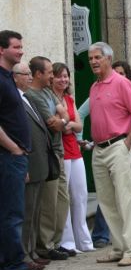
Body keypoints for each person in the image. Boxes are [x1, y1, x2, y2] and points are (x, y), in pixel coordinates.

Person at [87, 42, 131, 266]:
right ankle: (118, 246)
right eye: (91, 58)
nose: (93, 61)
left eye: (97, 57)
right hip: (99, 148)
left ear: (109, 59)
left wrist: (127, 143)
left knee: (125, 198)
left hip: (118, 146)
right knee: (106, 200)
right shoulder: (94, 87)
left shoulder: (122, 83)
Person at [1, 30, 38, 270]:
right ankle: (14, 265)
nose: (21, 50)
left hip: (15, 158)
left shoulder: (6, 79)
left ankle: (8, 262)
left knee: (10, 212)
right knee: (12, 213)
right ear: (1, 50)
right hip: (8, 156)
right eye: (16, 47)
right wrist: (13, 148)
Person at [25, 56, 70, 260]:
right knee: (48, 203)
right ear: (38, 74)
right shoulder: (32, 96)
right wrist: (62, 121)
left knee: (62, 200)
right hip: (48, 152)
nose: (52, 76)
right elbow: (53, 122)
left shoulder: (48, 92)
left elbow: (65, 116)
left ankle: (55, 242)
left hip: (58, 152)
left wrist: (62, 121)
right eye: (50, 72)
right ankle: (45, 245)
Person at [13, 62, 52, 270]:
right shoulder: (15, 100)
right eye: (25, 74)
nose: (29, 77)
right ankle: (24, 254)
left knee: (35, 211)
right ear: (15, 77)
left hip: (39, 163)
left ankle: (32, 250)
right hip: (28, 162)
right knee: (26, 212)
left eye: (30, 73)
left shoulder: (27, 98)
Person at [52, 62, 94, 253]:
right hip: (61, 152)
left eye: (66, 76)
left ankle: (84, 240)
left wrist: (67, 124)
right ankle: (68, 242)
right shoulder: (49, 99)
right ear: (51, 78)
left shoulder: (69, 99)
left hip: (74, 151)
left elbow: (78, 125)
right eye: (60, 76)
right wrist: (68, 124)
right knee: (64, 198)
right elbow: (57, 126)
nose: (64, 79)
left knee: (80, 195)